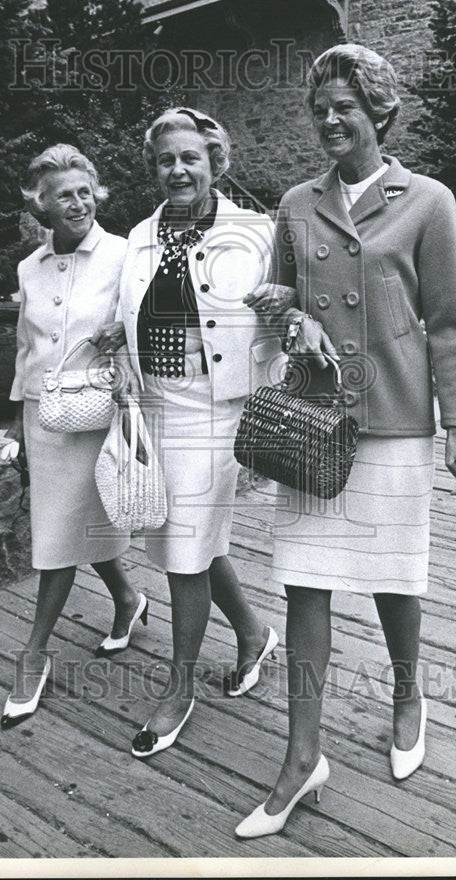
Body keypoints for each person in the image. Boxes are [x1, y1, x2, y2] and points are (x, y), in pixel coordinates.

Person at [237, 44, 456, 838]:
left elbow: (450, 323)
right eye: (320, 109)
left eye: (344, 105)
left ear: (379, 111)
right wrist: (291, 316)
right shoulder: (294, 203)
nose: (329, 120)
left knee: (392, 577)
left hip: (396, 419)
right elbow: (271, 295)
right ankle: (300, 758)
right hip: (316, 420)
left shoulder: (429, 201)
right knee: (305, 583)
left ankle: (407, 690)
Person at [95, 108, 283, 757]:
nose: (178, 169)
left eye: (190, 158)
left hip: (219, 409)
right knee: (192, 540)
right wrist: (117, 354)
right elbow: (131, 316)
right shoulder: (141, 238)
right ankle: (254, 634)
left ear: (213, 163)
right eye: (166, 160)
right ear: (155, 169)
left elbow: (293, 314)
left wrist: (283, 323)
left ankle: (179, 689)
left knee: (183, 547)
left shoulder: (255, 233)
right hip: (159, 405)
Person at [0, 144, 147, 730]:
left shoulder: (122, 253)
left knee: (68, 528)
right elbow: (23, 347)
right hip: (44, 416)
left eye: (86, 192)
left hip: (99, 411)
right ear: (42, 206)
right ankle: (129, 601)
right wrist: (15, 418)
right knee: (70, 525)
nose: (79, 203)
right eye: (65, 195)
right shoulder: (28, 268)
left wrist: (123, 330)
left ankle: (33, 653)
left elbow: (146, 318)